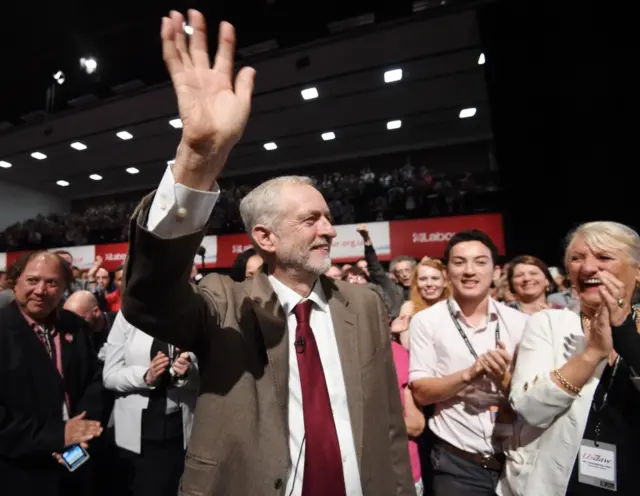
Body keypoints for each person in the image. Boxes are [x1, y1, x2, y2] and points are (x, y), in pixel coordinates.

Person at [121, 9, 413, 496]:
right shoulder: (223, 300)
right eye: (310, 220)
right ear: (265, 238)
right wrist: (194, 161)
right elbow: (147, 299)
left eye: (326, 216)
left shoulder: (362, 305)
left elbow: (387, 424)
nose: (327, 229)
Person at [498, 222, 640, 496]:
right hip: (554, 484)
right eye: (576, 258)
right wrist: (592, 354)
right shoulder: (548, 323)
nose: (587, 268)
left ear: (637, 271)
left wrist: (624, 331)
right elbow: (529, 408)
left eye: (604, 257)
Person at [409, 230, 527, 496]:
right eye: (459, 262)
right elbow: (422, 391)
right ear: (448, 271)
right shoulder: (426, 322)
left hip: (516, 460)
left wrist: (506, 380)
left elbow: (534, 394)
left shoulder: (521, 323)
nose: (469, 271)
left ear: (496, 272)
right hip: (456, 463)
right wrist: (470, 374)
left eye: (480, 262)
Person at [0, 251, 103, 496]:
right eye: (32, 280)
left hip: (77, 461)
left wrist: (84, 429)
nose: (41, 290)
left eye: (52, 282)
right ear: (16, 282)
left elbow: (95, 381)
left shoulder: (76, 326)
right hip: (18, 469)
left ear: (64, 287)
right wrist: (57, 436)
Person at [103, 312, 198, 496]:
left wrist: (187, 373)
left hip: (178, 431)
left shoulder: (191, 312)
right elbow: (109, 376)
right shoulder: (128, 315)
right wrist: (146, 376)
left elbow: (205, 376)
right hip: (138, 435)